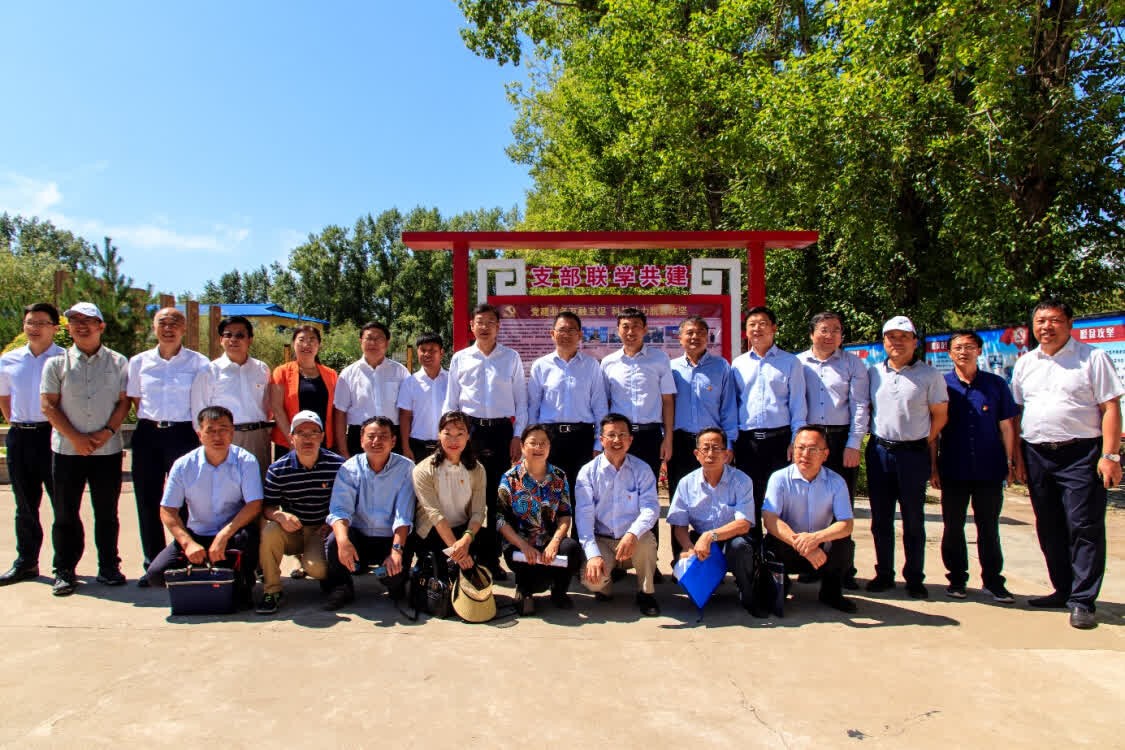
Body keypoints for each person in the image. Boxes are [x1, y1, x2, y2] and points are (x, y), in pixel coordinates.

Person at [1012, 300, 1123, 629]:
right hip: (1036, 454)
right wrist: (1017, 457)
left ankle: (1083, 600)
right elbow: (1018, 412)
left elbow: (1111, 408)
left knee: (1083, 526)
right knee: (1049, 525)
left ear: (1069, 324)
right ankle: (1062, 589)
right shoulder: (1026, 363)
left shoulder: (1092, 358)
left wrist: (1110, 456)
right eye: (1040, 321)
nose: (1046, 327)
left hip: (1080, 454)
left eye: (1054, 320)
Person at [40, 302, 130, 596]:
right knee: (65, 513)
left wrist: (107, 432)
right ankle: (64, 570)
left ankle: (109, 567)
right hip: (68, 451)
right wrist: (75, 438)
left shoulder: (118, 362)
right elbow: (48, 405)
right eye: (75, 320)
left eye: (88, 320)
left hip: (107, 451)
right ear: (68, 328)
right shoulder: (56, 363)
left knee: (107, 513)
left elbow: (124, 402)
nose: (81, 325)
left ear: (100, 326)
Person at [144, 406, 263, 606]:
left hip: (232, 533)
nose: (217, 436)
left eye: (223, 429)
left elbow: (254, 504)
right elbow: (167, 510)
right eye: (211, 430)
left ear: (232, 432)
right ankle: (199, 577)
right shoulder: (183, 465)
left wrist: (223, 536)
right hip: (197, 533)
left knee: (249, 539)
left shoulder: (246, 461)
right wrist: (187, 543)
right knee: (156, 575)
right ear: (199, 434)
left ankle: (241, 582)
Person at [865, 315, 949, 599]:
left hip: (913, 454)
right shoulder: (873, 373)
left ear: (915, 341)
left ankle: (914, 577)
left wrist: (921, 440)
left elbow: (940, 416)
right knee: (881, 519)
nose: (897, 342)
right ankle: (884, 574)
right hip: (879, 452)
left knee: (913, 519)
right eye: (891, 337)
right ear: (884, 342)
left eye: (904, 337)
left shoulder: (929, 375)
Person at [443, 303, 528, 580]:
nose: (484, 327)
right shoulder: (461, 358)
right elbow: (451, 401)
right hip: (469, 432)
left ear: (498, 326)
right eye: (479, 322)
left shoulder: (511, 357)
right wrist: (449, 437)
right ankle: (468, 557)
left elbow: (521, 400)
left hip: (501, 432)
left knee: (496, 498)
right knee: (467, 497)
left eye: (490, 322)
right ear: (471, 326)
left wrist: (518, 435)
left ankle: (492, 559)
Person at [932, 330, 1018, 603]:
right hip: (953, 468)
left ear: (979, 351)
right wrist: (933, 468)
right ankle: (957, 579)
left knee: (989, 527)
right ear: (949, 353)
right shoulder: (941, 385)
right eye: (957, 347)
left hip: (989, 468)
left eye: (969, 347)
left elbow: (1007, 426)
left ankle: (993, 581)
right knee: (953, 527)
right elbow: (934, 431)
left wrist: (1011, 462)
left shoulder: (995, 385)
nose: (963, 352)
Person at [127, 306, 209, 586]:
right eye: (163, 322)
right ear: (154, 327)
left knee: (185, 501)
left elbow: (202, 400)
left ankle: (184, 560)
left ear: (184, 328)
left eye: (175, 322)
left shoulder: (198, 363)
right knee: (147, 499)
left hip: (183, 434)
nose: (168, 328)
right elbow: (136, 400)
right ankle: (153, 564)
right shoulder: (139, 362)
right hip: (148, 434)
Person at [600, 307, 675, 579]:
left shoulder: (659, 359)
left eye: (635, 326)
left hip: (649, 436)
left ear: (645, 329)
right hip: (618, 438)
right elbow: (604, 404)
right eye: (625, 326)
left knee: (648, 497)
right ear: (617, 330)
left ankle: (649, 563)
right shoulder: (608, 363)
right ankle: (618, 560)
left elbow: (668, 401)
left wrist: (668, 437)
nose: (630, 331)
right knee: (616, 495)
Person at [798, 311, 869, 589]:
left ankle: (842, 568)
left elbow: (860, 405)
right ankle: (810, 564)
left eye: (836, 330)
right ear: (811, 334)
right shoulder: (797, 363)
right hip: (808, 440)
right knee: (808, 504)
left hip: (840, 440)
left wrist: (854, 443)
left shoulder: (853, 364)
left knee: (842, 505)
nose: (830, 335)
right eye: (824, 330)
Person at [256, 410, 345, 615]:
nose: (307, 438)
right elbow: (268, 507)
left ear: (322, 436)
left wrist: (331, 524)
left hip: (321, 530)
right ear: (291, 437)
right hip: (293, 530)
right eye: (301, 433)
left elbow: (347, 503)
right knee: (270, 531)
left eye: (313, 433)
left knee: (317, 569)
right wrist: (280, 516)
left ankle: (323, 573)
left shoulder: (337, 465)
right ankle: (272, 590)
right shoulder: (278, 469)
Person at [761, 426, 858, 613]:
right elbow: (769, 519)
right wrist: (803, 545)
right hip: (788, 545)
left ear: (825, 454)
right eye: (800, 447)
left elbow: (846, 524)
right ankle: (782, 585)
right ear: (793, 449)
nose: (805, 454)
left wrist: (815, 539)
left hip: (820, 549)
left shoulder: (836, 481)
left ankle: (831, 593)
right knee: (772, 541)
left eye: (813, 449)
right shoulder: (779, 478)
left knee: (843, 543)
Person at [0, 303, 63, 585]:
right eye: (29, 322)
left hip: (54, 436)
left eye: (41, 323)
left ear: (55, 328)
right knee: (25, 505)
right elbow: (4, 398)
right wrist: (19, 423)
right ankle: (26, 563)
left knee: (62, 505)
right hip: (20, 436)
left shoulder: (64, 359)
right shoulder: (9, 360)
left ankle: (64, 566)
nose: (34, 328)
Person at [323, 416, 415, 611]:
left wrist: (396, 551)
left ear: (393, 441)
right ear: (361, 440)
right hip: (360, 537)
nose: (376, 441)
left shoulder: (406, 468)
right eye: (371, 436)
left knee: (395, 582)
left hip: (390, 538)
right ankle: (341, 587)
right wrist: (343, 542)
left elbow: (404, 515)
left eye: (383, 436)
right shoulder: (349, 468)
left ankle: (396, 583)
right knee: (334, 541)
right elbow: (340, 510)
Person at [574, 414, 661, 616]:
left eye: (622, 435)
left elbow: (651, 508)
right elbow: (583, 517)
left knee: (647, 542)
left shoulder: (642, 469)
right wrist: (593, 555)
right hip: (603, 539)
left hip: (633, 540)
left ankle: (646, 593)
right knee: (592, 581)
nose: (617, 440)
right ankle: (606, 584)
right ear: (601, 439)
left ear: (630, 439)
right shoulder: (588, 472)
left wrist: (632, 534)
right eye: (611, 435)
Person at [731, 306, 807, 533]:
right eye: (752, 325)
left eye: (763, 323)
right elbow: (733, 406)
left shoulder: (790, 362)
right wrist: (731, 444)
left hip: (779, 441)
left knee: (780, 500)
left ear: (773, 328)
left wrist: (796, 441)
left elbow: (798, 405)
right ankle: (751, 551)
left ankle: (778, 550)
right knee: (749, 500)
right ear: (746, 331)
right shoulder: (738, 364)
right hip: (747, 442)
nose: (757, 329)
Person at [668, 315, 738, 561]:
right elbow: (664, 407)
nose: (694, 337)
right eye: (689, 333)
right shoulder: (671, 369)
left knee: (716, 499)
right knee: (679, 501)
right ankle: (681, 559)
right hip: (681, 442)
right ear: (680, 338)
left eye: (700, 332)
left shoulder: (721, 367)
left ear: (708, 337)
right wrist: (666, 441)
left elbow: (729, 408)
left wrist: (729, 445)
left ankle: (718, 558)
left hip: (713, 445)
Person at [667, 428, 757, 614]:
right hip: (700, 540)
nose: (710, 454)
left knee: (740, 547)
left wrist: (710, 536)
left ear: (726, 454)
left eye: (716, 448)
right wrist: (688, 547)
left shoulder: (742, 481)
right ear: (696, 454)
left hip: (731, 537)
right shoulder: (686, 483)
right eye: (705, 448)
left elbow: (744, 524)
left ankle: (747, 590)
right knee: (690, 579)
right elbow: (680, 525)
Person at [496, 424, 582, 615]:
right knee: (531, 583)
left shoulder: (559, 476)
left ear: (550, 447)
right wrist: (523, 545)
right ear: (522, 446)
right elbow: (501, 521)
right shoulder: (510, 478)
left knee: (571, 549)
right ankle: (525, 588)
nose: (538, 447)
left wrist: (555, 542)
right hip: (520, 546)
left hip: (548, 543)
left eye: (543, 443)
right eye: (533, 443)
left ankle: (559, 591)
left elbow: (565, 515)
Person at [528, 311, 607, 496]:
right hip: (549, 438)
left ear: (580, 335)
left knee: (582, 495)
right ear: (552, 334)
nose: (566, 334)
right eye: (562, 330)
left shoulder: (591, 365)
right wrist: (532, 441)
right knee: (549, 495)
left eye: (572, 330)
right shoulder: (541, 365)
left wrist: (598, 444)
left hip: (582, 438)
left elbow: (600, 407)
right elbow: (533, 407)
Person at [190, 315, 272, 480]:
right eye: (228, 335)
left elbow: (268, 405)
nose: (233, 339)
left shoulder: (262, 369)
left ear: (250, 340)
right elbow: (199, 413)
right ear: (221, 340)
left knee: (258, 487)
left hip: (257, 438)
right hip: (224, 438)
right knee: (226, 488)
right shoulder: (209, 372)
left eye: (240, 335)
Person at [410, 411, 486, 572]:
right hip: (433, 532)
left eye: (460, 434)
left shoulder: (477, 469)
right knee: (438, 577)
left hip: (464, 532)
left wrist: (465, 541)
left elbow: (478, 512)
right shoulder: (423, 470)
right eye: (448, 434)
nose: (453, 440)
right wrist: (456, 551)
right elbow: (435, 515)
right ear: (439, 435)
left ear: (468, 436)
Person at [334, 321, 409, 458]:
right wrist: (343, 450)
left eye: (378, 338)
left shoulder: (400, 371)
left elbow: (406, 412)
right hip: (359, 437)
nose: (373, 343)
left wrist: (406, 446)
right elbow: (340, 413)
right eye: (369, 338)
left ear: (387, 343)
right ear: (360, 341)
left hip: (392, 435)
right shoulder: (348, 374)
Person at [269, 325, 338, 460]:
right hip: (289, 443)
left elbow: (335, 410)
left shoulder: (331, 374)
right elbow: (276, 408)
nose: (307, 344)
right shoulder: (281, 372)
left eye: (312, 340)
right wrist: (292, 440)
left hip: (322, 442)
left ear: (319, 345)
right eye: (301, 340)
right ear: (293, 343)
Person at [397, 332, 449, 463]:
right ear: (417, 352)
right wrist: (405, 447)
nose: (427, 354)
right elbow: (405, 417)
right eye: (423, 350)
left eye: (432, 350)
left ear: (441, 353)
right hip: (417, 446)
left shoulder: (451, 380)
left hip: (447, 445)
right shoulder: (409, 383)